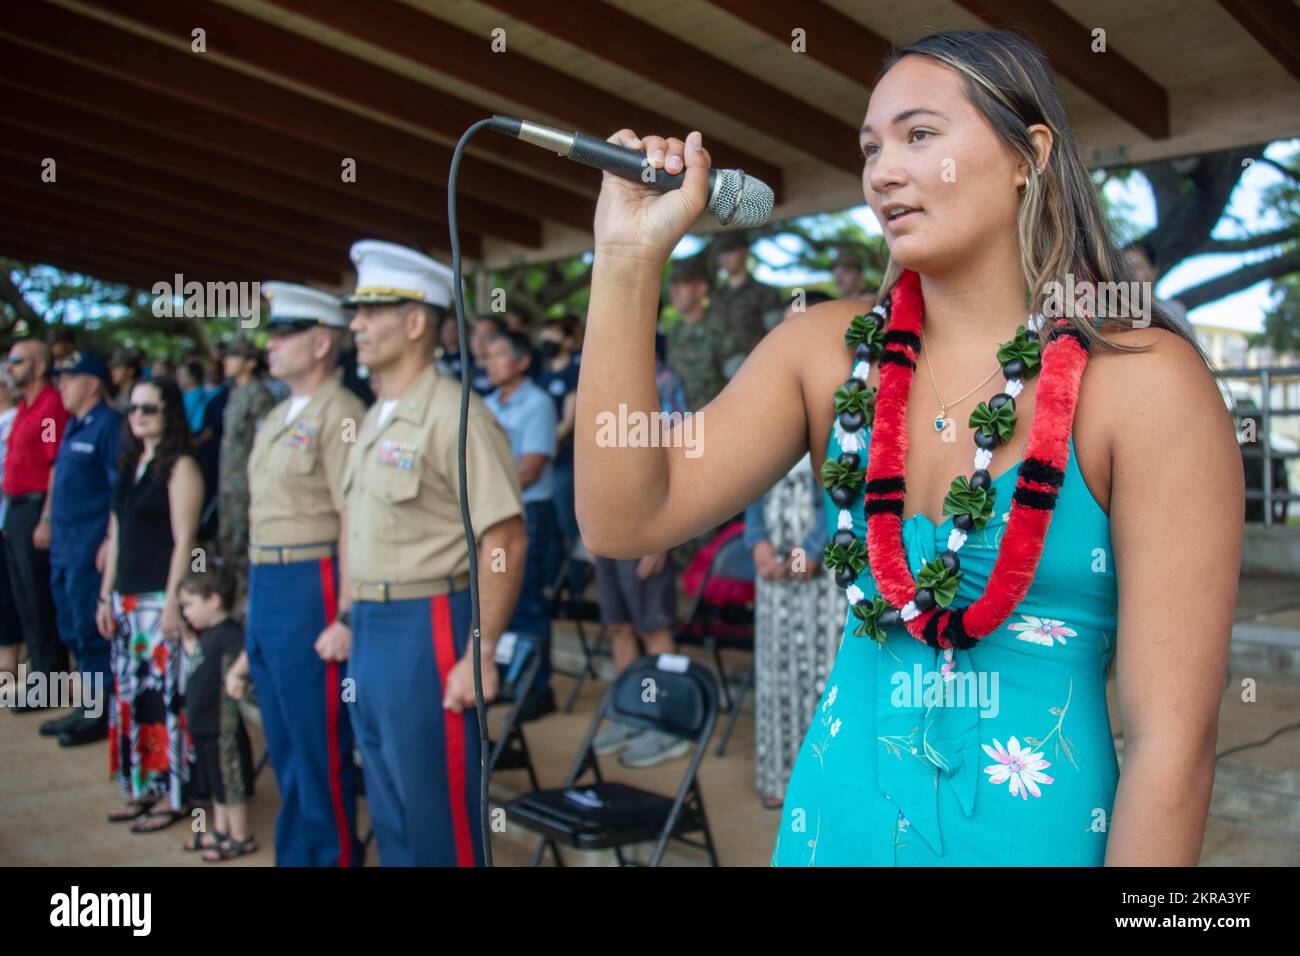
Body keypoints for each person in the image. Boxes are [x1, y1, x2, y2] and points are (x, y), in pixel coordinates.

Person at [575, 29, 1243, 867]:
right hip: (835, 827)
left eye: (919, 135)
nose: (882, 170)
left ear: (1027, 154)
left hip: (1037, 835)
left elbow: (1171, 744)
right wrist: (629, 259)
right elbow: (623, 517)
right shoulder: (821, 353)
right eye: (870, 147)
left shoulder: (1144, 382)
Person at [343, 239, 528, 866]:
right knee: (390, 805)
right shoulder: (374, 416)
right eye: (355, 311)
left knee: (438, 812)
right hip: (372, 627)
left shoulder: (456, 415)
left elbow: (503, 537)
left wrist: (481, 648)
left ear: (417, 321)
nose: (356, 325)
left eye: (372, 312)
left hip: (428, 627)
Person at [228, 281, 365, 867]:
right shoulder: (278, 413)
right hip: (269, 585)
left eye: (286, 334)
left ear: (322, 342)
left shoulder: (342, 414)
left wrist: (345, 613)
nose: (272, 345)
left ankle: (333, 857)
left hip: (315, 580)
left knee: (318, 741)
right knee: (283, 740)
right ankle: (298, 855)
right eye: (272, 334)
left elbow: (351, 517)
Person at [742, 297, 839, 808]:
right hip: (773, 571)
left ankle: (819, 789)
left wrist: (809, 551)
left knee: (822, 679)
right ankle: (781, 780)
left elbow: (849, 487)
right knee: (778, 673)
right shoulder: (766, 404)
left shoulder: (846, 401)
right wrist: (758, 542)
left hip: (824, 577)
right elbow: (749, 485)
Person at [98, 376, 204, 833]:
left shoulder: (180, 466)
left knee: (164, 701)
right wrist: (105, 595)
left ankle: (174, 796)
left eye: (150, 408)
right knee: (130, 700)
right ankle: (143, 788)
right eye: (133, 408)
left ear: (169, 413)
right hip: (124, 599)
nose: (139, 415)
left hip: (159, 599)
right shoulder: (129, 464)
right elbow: (116, 536)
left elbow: (186, 540)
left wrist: (172, 603)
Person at [588, 342, 686, 768]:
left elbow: (684, 454)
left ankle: (671, 724)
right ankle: (631, 712)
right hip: (608, 527)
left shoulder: (666, 384)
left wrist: (664, 536)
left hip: (648, 528)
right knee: (620, 628)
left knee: (654, 628)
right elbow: (588, 456)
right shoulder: (606, 385)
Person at [41, 349, 121, 747]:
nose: (61, 386)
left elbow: (117, 490)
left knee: (92, 634)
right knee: (72, 629)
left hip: (90, 550)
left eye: (69, 379)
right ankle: (85, 707)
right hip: (65, 547)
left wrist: (110, 538)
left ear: (92, 383)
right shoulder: (74, 425)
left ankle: (99, 714)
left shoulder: (110, 425)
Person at [483, 329, 558, 716]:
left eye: (498, 355)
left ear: (522, 361)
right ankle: (507, 679)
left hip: (529, 513)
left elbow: (530, 468)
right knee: (498, 599)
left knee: (527, 601)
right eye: (488, 356)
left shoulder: (538, 403)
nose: (489, 363)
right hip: (493, 515)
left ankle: (536, 688)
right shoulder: (485, 403)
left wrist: (482, 485)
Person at [2, 339, 69, 712]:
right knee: (24, 599)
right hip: (15, 508)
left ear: (39, 367)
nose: (9, 368)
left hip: (34, 508)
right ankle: (40, 678)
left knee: (39, 600)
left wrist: (46, 516)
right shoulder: (25, 407)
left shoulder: (47, 410)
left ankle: (52, 683)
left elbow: (53, 465)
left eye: (16, 361)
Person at [176, 565, 257, 862]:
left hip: (223, 727)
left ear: (213, 600)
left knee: (230, 782)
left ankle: (241, 835)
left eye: (189, 605)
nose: (185, 613)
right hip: (204, 727)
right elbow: (199, 656)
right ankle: (222, 830)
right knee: (216, 783)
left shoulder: (229, 635)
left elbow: (243, 663)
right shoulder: (210, 635)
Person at [216, 336, 275, 598]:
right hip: (228, 483)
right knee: (228, 544)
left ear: (249, 363)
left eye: (234, 357)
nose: (227, 362)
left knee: (244, 547)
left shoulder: (259, 395)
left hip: (247, 486)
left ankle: (246, 600)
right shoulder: (235, 392)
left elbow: (264, 443)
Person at [534, 317, 584, 597]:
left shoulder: (574, 372)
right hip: (544, 463)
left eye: (552, 337)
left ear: (566, 340)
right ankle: (552, 583)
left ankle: (577, 583)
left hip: (565, 461)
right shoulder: (542, 374)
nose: (547, 344)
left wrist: (538, 442)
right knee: (550, 526)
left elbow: (569, 421)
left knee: (570, 524)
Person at [663, 253, 739, 412]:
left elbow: (740, 385)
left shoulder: (721, 328)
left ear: (701, 288)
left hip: (715, 423)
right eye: (672, 284)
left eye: (683, 283)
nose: (674, 291)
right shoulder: (674, 331)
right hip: (679, 425)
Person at [710, 230, 785, 363]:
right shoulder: (716, 297)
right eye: (721, 252)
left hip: (758, 367)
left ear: (746, 252)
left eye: (731, 250)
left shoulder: (765, 293)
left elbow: (777, 336)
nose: (725, 257)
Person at [0, 380, 21, 696]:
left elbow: (48, 458)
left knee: (8, 593)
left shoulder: (17, 417)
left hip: (11, 515)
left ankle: (8, 663)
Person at [177, 360, 208, 434]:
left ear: (192, 377)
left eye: (181, 375)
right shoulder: (183, 394)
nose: (178, 378)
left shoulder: (201, 396)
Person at [108, 348, 142, 415]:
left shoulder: (137, 394)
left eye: (117, 368)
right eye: (112, 368)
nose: (112, 372)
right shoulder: (120, 391)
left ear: (130, 371)